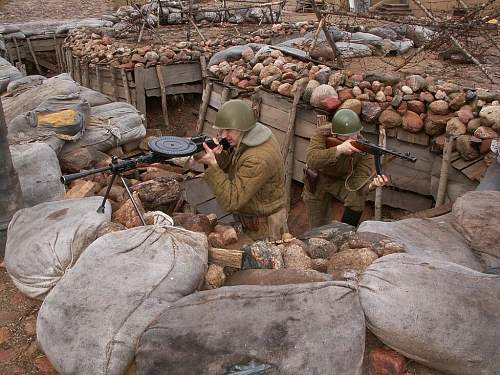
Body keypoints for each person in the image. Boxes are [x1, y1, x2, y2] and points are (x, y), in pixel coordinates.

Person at [196, 99, 288, 240]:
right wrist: (218, 156)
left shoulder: (257, 158)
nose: (224, 135)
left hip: (266, 230)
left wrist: (213, 166)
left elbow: (231, 201)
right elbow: (234, 163)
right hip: (254, 219)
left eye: (229, 130)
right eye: (222, 130)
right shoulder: (250, 136)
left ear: (243, 127)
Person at [303, 108, 389, 228]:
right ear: (334, 134)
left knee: (357, 198)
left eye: (355, 134)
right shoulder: (322, 134)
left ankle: (345, 232)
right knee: (317, 226)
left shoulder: (364, 150)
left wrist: (371, 185)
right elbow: (311, 160)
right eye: (346, 137)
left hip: (340, 182)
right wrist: (338, 150)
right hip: (317, 180)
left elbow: (357, 183)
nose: (352, 139)